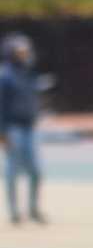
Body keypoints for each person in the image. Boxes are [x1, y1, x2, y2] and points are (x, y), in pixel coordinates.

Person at [0, 32, 46, 226]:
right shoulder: (5, 76)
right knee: (12, 169)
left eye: (26, 51)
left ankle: (33, 208)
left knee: (36, 170)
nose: (25, 54)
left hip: (29, 127)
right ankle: (14, 211)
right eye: (21, 51)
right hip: (12, 128)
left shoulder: (29, 73)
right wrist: (2, 132)